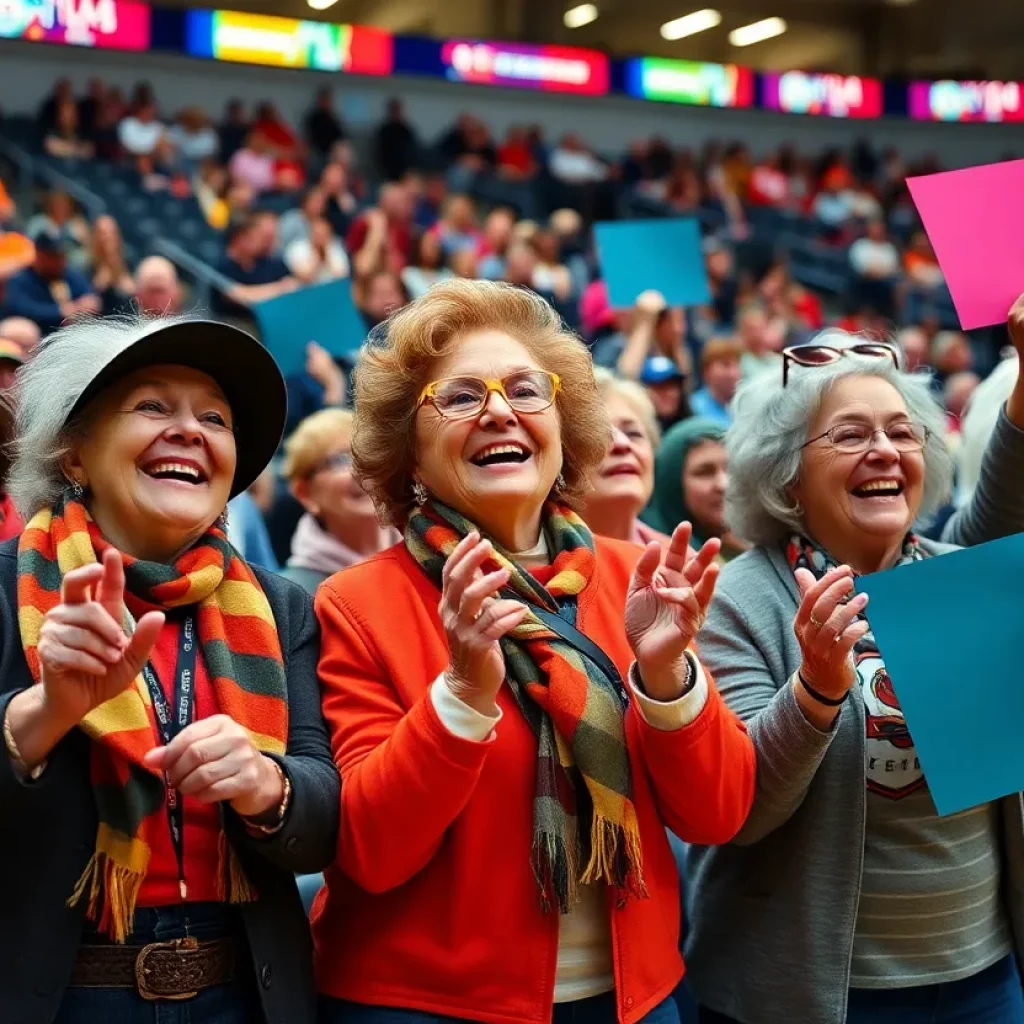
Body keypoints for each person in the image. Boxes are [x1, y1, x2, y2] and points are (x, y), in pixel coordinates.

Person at [312, 279, 755, 1024]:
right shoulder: (355, 605)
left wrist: (666, 675)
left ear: (562, 432)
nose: (498, 410)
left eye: (525, 388)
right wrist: (461, 694)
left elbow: (716, 813)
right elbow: (371, 852)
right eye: (458, 398)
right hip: (424, 1007)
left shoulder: (635, 579)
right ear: (410, 456)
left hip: (632, 1000)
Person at [0, 315, 339, 1023]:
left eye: (213, 417)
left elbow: (326, 814)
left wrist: (264, 784)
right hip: (59, 995)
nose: (190, 430)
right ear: (73, 458)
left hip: (243, 993)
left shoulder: (282, 606)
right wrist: (44, 714)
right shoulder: (6, 587)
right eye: (152, 406)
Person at [685, 320, 1024, 1024]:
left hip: (981, 980)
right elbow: (741, 812)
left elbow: (1007, 496)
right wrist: (813, 691)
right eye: (849, 435)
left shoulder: (948, 575)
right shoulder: (739, 599)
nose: (885, 452)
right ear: (786, 475)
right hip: (816, 998)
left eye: (903, 434)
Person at [281, 408, 399, 595]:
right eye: (340, 460)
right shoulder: (293, 597)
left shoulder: (431, 557)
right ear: (304, 493)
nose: (360, 470)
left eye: (368, 453)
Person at [582, 368, 666, 548]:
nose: (622, 444)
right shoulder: (531, 567)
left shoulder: (685, 564)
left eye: (633, 433)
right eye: (598, 435)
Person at [641, 419, 746, 563]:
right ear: (673, 485)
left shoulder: (753, 542)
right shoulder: (657, 559)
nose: (723, 484)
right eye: (704, 472)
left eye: (730, 469)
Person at [3, 228, 100, 334]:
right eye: (52, 256)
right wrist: (60, 311)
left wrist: (87, 304)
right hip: (38, 338)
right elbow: (21, 309)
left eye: (61, 255)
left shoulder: (68, 274)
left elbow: (89, 296)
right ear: (38, 254)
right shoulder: (21, 279)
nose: (59, 260)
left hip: (71, 336)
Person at [689, 339, 742, 427]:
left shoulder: (744, 408)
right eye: (726, 365)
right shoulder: (693, 407)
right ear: (706, 371)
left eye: (736, 365)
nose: (733, 373)